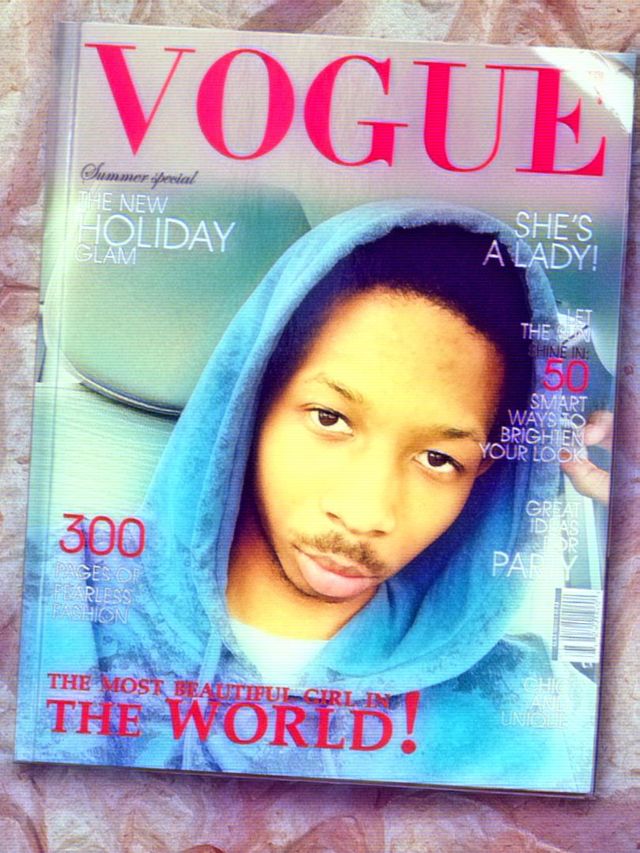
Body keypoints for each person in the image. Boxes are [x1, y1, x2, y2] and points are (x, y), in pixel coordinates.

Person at [24, 200, 601, 792]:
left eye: (438, 459)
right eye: (330, 419)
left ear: (482, 475)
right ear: (253, 400)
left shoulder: (534, 718)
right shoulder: (41, 607)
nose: (365, 513)